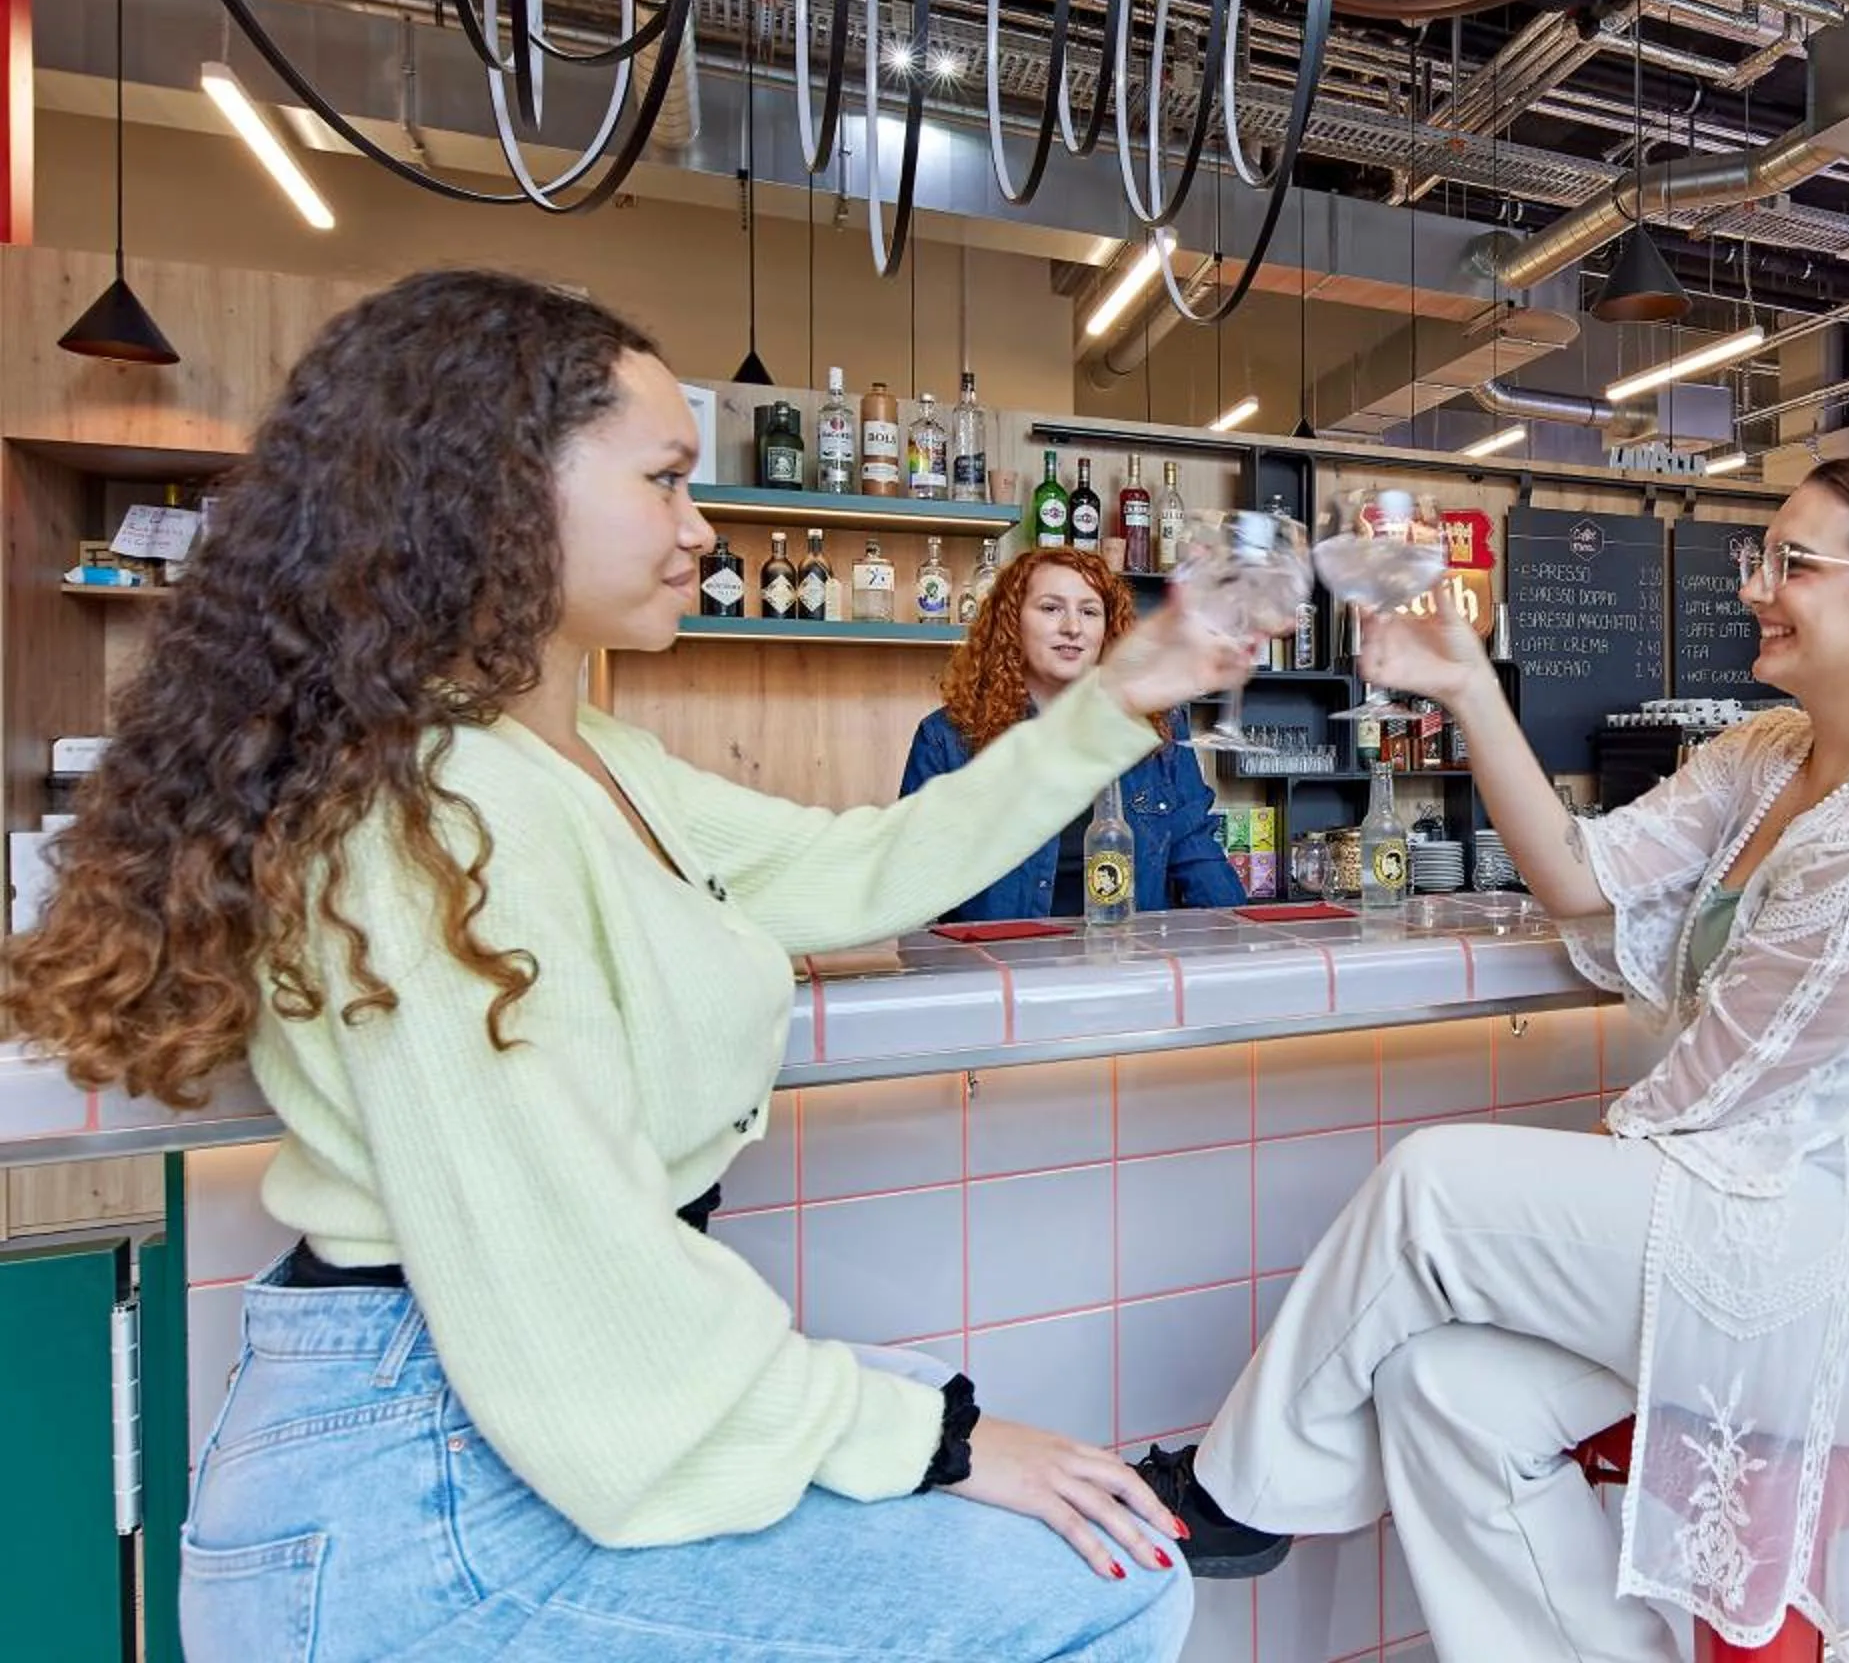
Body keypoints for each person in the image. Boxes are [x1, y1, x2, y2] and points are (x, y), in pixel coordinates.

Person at [0, 271, 1281, 1663]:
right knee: (1112, 1583)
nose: (701, 529)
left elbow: (860, 868)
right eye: (667, 480)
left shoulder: (587, 762)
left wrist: (1127, 696)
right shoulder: (431, 810)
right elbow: (567, 1264)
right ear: (497, 493)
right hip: (423, 1495)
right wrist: (939, 1443)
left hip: (489, 1413)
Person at [1140, 457, 1849, 1662]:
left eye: (1795, 563)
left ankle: (1239, 1494)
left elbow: (1710, 1096)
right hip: (1791, 1196)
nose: (1758, 587)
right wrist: (1471, 687)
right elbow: (1583, 873)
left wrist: (1533, 1220)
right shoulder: (1767, 753)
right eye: (1762, 557)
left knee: (1438, 1191)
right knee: (1444, 1391)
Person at [901, 549, 1244, 920]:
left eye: (1089, 611)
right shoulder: (947, 738)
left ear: (1108, 630)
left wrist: (1247, 945)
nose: (1073, 628)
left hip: (1128, 969)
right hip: (1002, 973)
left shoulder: (1157, 729)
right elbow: (911, 894)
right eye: (1051, 608)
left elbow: (1195, 851)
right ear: (1011, 622)